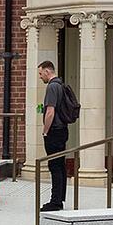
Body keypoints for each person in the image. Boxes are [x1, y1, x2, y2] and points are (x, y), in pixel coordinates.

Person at [38, 60, 69, 212]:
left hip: (54, 131)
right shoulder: (61, 85)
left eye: (40, 73)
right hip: (62, 130)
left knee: (54, 166)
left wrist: (45, 131)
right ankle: (60, 197)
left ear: (47, 71)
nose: (40, 77)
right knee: (61, 165)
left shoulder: (52, 87)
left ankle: (55, 201)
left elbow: (50, 111)